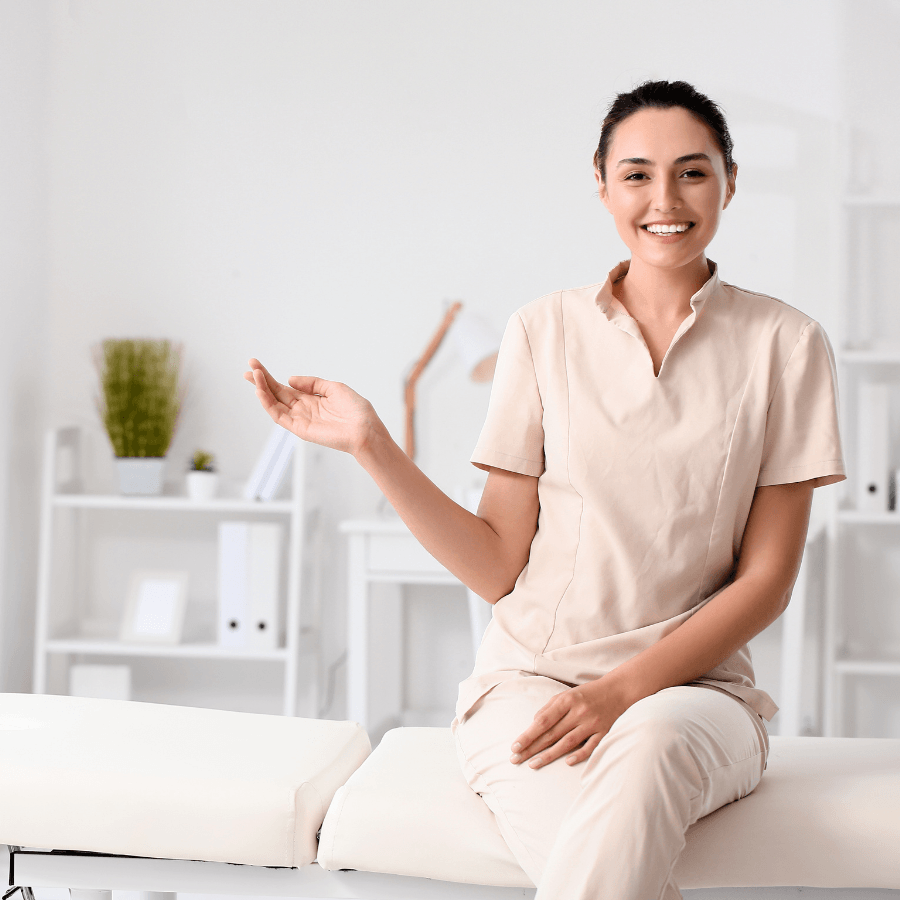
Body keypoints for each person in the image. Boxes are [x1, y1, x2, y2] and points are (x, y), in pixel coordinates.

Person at [245, 80, 846, 900]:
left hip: (694, 697)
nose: (663, 199)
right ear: (600, 186)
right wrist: (371, 445)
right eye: (636, 174)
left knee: (650, 752)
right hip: (527, 690)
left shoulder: (788, 343)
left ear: (730, 183)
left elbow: (767, 580)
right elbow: (499, 565)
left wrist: (623, 692)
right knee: (601, 868)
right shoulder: (543, 330)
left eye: (692, 173)